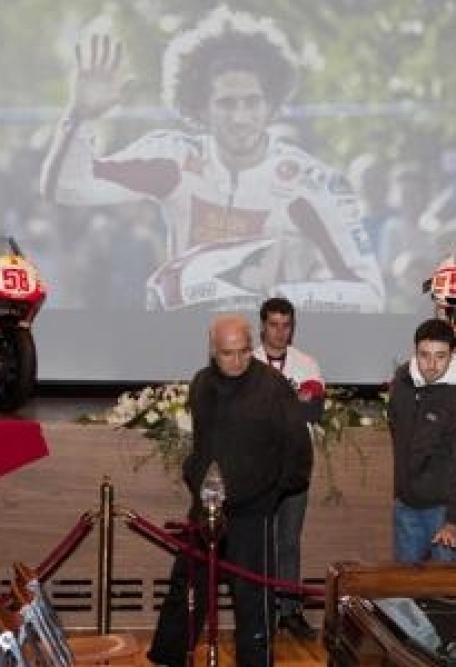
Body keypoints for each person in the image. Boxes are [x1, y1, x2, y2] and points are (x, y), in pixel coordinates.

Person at [40, 6, 384, 313]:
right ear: (200, 108)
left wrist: (276, 298)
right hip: (183, 342)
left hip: (269, 348)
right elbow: (67, 188)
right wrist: (81, 116)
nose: (240, 117)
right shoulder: (173, 160)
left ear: (271, 105)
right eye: (226, 103)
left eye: (252, 102)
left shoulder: (310, 182)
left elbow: (369, 293)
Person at [147, 314, 311, 667]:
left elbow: (298, 449)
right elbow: (202, 442)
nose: (237, 360)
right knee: (187, 586)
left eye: (244, 351)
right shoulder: (202, 383)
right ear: (213, 352)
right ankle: (169, 657)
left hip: (254, 512)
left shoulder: (273, 387)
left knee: (252, 597)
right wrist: (194, 476)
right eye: (227, 353)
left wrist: (272, 494)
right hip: (206, 507)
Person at [388, 318, 456, 562]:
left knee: (446, 585)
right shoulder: (401, 385)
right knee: (403, 584)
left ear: (453, 355)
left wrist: (455, 521)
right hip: (406, 506)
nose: (431, 365)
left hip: (446, 512)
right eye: (424, 355)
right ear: (415, 352)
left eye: (440, 356)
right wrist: (401, 494)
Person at [253, 297, 323, 640]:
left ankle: (290, 611)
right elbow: (248, 414)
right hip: (256, 470)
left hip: (295, 467)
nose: (280, 332)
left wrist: (274, 407)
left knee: (289, 542)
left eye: (286, 325)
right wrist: (293, 402)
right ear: (262, 326)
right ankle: (262, 612)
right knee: (259, 543)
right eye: (273, 325)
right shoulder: (247, 362)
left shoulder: (307, 363)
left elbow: (313, 411)